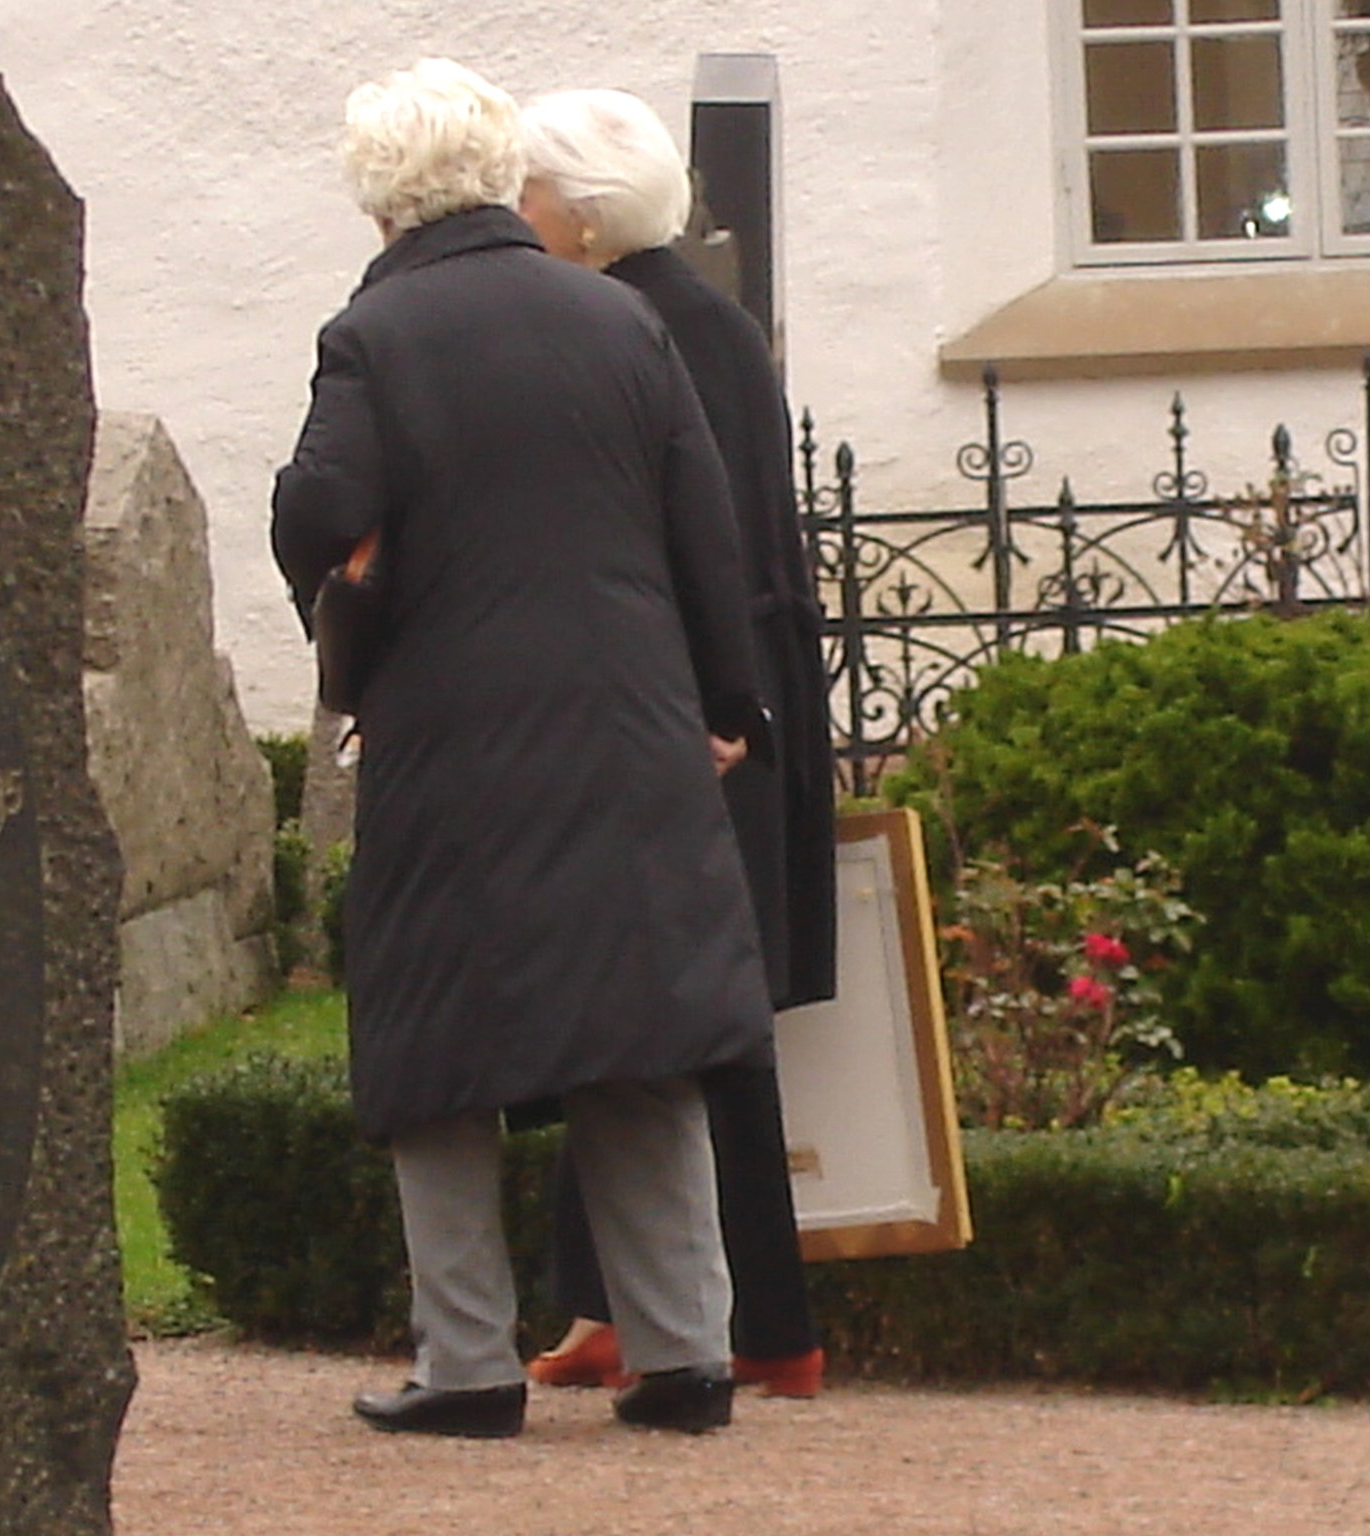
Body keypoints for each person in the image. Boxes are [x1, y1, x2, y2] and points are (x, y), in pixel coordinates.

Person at [271, 58, 778, 1440]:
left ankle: (468, 1367)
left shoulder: (372, 337)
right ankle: (685, 1358)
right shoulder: (621, 323)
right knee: (643, 1030)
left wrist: (345, 580)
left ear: (379, 192)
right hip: (627, 721)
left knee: (436, 1041)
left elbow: (322, 507)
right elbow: (702, 531)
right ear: (498, 172)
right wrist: (724, 708)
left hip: (456, 733)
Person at [514, 87, 839, 1400]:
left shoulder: (635, 327)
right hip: (726, 701)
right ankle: (606, 1304)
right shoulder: (708, 323)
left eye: (531, 194)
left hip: (685, 713)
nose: (517, 217)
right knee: (658, 1005)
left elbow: (663, 545)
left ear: (581, 221)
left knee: (697, 1015)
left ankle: (767, 1327)